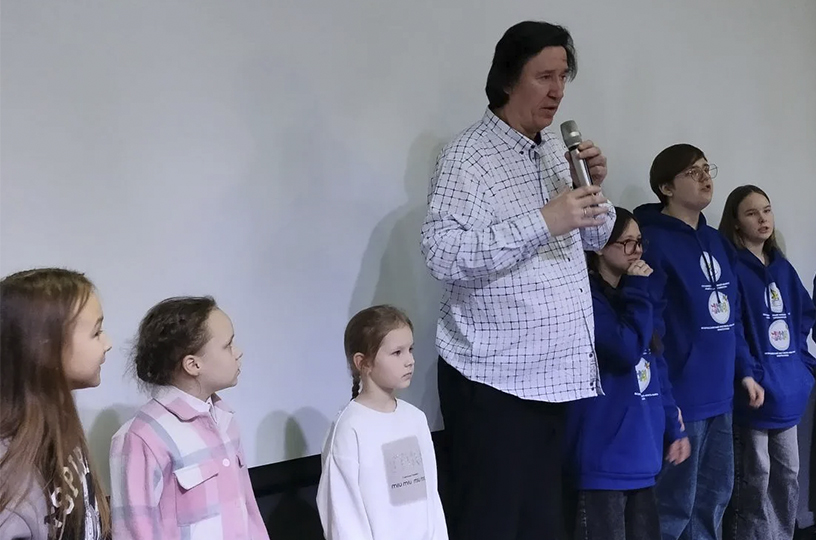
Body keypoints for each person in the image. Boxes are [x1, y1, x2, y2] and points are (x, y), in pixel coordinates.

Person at [420, 20, 615, 540]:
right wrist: (545, 221)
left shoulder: (555, 151)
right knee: (493, 525)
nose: (557, 91)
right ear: (508, 80)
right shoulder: (467, 157)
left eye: (563, 77)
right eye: (544, 77)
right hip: (494, 384)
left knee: (545, 526)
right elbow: (442, 254)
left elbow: (599, 239)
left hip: (556, 380)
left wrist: (595, 189)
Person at [634, 144, 762, 540]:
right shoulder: (652, 241)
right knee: (674, 506)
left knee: (714, 498)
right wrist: (665, 398)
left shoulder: (717, 241)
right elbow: (651, 328)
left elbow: (732, 314)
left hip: (720, 395)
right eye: (693, 172)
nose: (705, 177)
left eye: (707, 168)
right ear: (666, 187)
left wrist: (745, 371)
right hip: (682, 398)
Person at [564, 208, 690, 540]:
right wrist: (637, 290)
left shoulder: (638, 295)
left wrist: (674, 427)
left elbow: (655, 364)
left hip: (642, 457)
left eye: (639, 242)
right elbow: (624, 350)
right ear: (598, 247)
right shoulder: (585, 299)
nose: (637, 252)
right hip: (602, 462)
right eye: (627, 243)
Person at [109, 296, 268, 540]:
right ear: (193, 365)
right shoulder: (142, 437)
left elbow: (249, 513)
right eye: (228, 345)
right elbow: (135, 532)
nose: (238, 353)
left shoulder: (225, 421)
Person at [718, 185, 816, 540]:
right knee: (755, 478)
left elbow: (803, 317)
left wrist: (802, 367)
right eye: (752, 213)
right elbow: (733, 328)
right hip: (754, 395)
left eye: (767, 210)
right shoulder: (731, 267)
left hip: (788, 393)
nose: (763, 219)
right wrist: (749, 372)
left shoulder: (783, 268)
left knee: (788, 475)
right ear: (736, 222)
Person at [316, 305, 447, 540]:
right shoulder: (350, 428)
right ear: (363, 362)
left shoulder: (415, 419)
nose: (410, 360)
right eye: (397, 353)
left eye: (410, 349)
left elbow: (431, 499)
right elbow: (343, 514)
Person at [0, 268, 112, 540]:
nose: (107, 343)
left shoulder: (61, 424)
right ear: (46, 349)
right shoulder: (11, 472)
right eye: (97, 332)